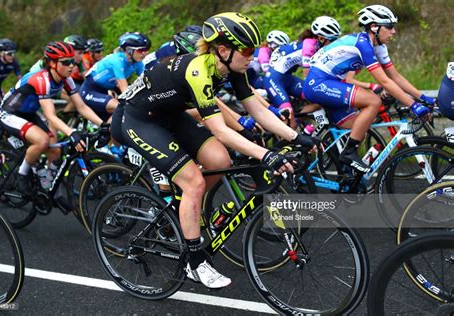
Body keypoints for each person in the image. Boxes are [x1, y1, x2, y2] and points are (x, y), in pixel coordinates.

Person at [111, 12, 316, 289]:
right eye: (246, 50)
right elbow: (220, 129)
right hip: (138, 119)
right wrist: (266, 155)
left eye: (254, 49)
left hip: (170, 115)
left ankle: (184, 209)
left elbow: (256, 109)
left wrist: (296, 136)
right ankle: (193, 260)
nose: (252, 56)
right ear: (223, 49)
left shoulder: (233, 67)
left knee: (220, 159)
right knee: (194, 181)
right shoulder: (198, 70)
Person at [303, 5, 434, 173]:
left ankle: (346, 175)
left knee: (359, 130)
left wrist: (423, 97)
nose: (393, 31)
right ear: (374, 27)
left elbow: (395, 76)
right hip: (318, 82)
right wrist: (413, 105)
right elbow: (384, 82)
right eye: (389, 26)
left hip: (332, 82)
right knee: (373, 101)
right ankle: (348, 154)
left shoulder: (378, 47)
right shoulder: (363, 44)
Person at [0, 41, 108, 195]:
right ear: (52, 63)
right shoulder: (41, 79)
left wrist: (103, 125)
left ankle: (46, 184)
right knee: (42, 140)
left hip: (28, 114)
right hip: (10, 113)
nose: (72, 66)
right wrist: (71, 133)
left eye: (73, 61)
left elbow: (81, 107)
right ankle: (21, 175)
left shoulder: (66, 79)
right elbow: (50, 115)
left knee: (55, 151)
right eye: (66, 62)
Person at [264, 16, 341, 127]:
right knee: (291, 121)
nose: (335, 43)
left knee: (318, 102)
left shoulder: (321, 47)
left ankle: (304, 120)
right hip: (274, 79)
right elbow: (307, 75)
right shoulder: (309, 45)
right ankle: (288, 120)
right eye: (332, 40)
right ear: (321, 38)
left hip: (288, 79)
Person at [79, 32, 150, 121]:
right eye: (140, 50)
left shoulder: (137, 62)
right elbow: (125, 90)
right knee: (122, 109)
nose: (145, 53)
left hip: (107, 90)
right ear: (129, 50)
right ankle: (106, 132)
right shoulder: (117, 61)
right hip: (91, 90)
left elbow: (148, 80)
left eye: (146, 50)